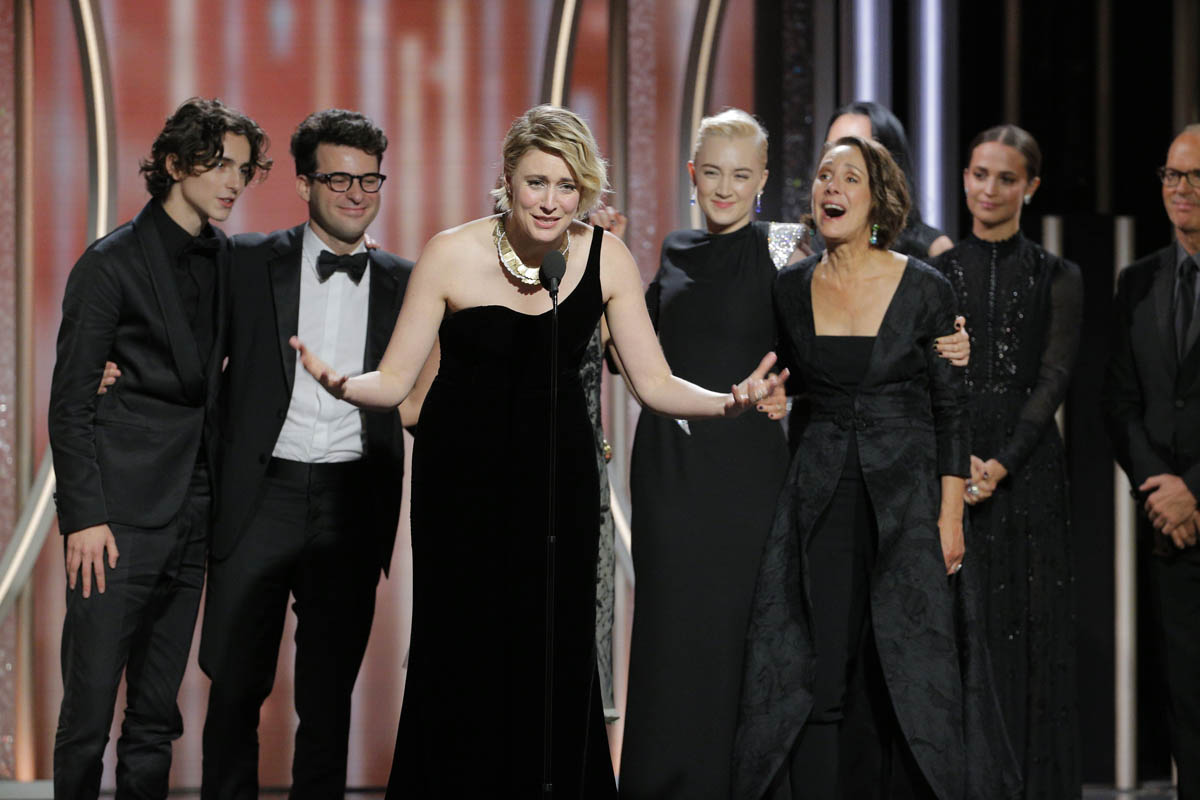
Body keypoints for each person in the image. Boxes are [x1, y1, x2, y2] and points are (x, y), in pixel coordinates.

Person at [291, 104, 784, 796]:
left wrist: (727, 401)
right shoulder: (450, 253)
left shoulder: (604, 257)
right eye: (536, 183)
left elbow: (654, 383)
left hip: (558, 485)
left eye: (567, 186)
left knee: (552, 654)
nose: (551, 201)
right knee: (461, 658)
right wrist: (345, 386)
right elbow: (397, 381)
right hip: (460, 490)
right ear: (508, 180)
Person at [733, 135, 1018, 799]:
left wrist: (951, 517)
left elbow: (951, 410)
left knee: (906, 671)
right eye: (823, 175)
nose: (831, 187)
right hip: (819, 499)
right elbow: (788, 380)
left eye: (850, 178)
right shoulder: (790, 287)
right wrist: (776, 397)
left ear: (878, 200)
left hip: (908, 503)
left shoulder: (924, 286)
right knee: (820, 665)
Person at [48, 97, 270, 799]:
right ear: (174, 165)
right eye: (219, 165)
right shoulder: (109, 264)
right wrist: (84, 517)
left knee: (154, 716)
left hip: (194, 511)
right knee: (88, 713)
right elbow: (68, 403)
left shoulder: (229, 259)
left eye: (243, 168)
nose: (234, 182)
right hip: (115, 519)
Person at [197, 109, 417, 799]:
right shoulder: (244, 260)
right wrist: (117, 368)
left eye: (368, 179)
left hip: (353, 503)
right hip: (259, 497)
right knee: (235, 688)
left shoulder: (407, 281)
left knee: (327, 700)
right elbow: (187, 346)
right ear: (303, 185)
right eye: (338, 179)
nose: (356, 193)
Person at [617, 108, 803, 799]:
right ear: (692, 174)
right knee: (671, 628)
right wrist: (600, 260)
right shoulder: (674, 247)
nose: (725, 189)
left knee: (741, 626)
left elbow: (827, 342)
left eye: (741, 175)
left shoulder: (786, 244)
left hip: (747, 471)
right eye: (713, 173)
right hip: (671, 467)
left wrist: (792, 396)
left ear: (763, 180)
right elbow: (628, 351)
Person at [932, 123, 1082, 798]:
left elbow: (1054, 379)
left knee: (1033, 632)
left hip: (1028, 476)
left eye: (1005, 178)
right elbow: (933, 377)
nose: (988, 189)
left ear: (1031, 188)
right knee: (965, 635)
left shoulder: (1060, 276)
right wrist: (961, 458)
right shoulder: (938, 274)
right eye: (979, 174)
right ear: (964, 178)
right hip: (953, 469)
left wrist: (1002, 464)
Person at [1104, 123, 1200, 800]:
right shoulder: (1137, 281)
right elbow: (1119, 401)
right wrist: (1161, 492)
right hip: (1172, 529)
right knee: (1187, 706)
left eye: (1195, 176)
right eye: (1172, 174)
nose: (1181, 189)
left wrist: (1196, 489)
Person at [824, 101, 954, 259]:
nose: (838, 160)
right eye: (831, 149)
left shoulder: (933, 249)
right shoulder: (807, 245)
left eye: (854, 150)